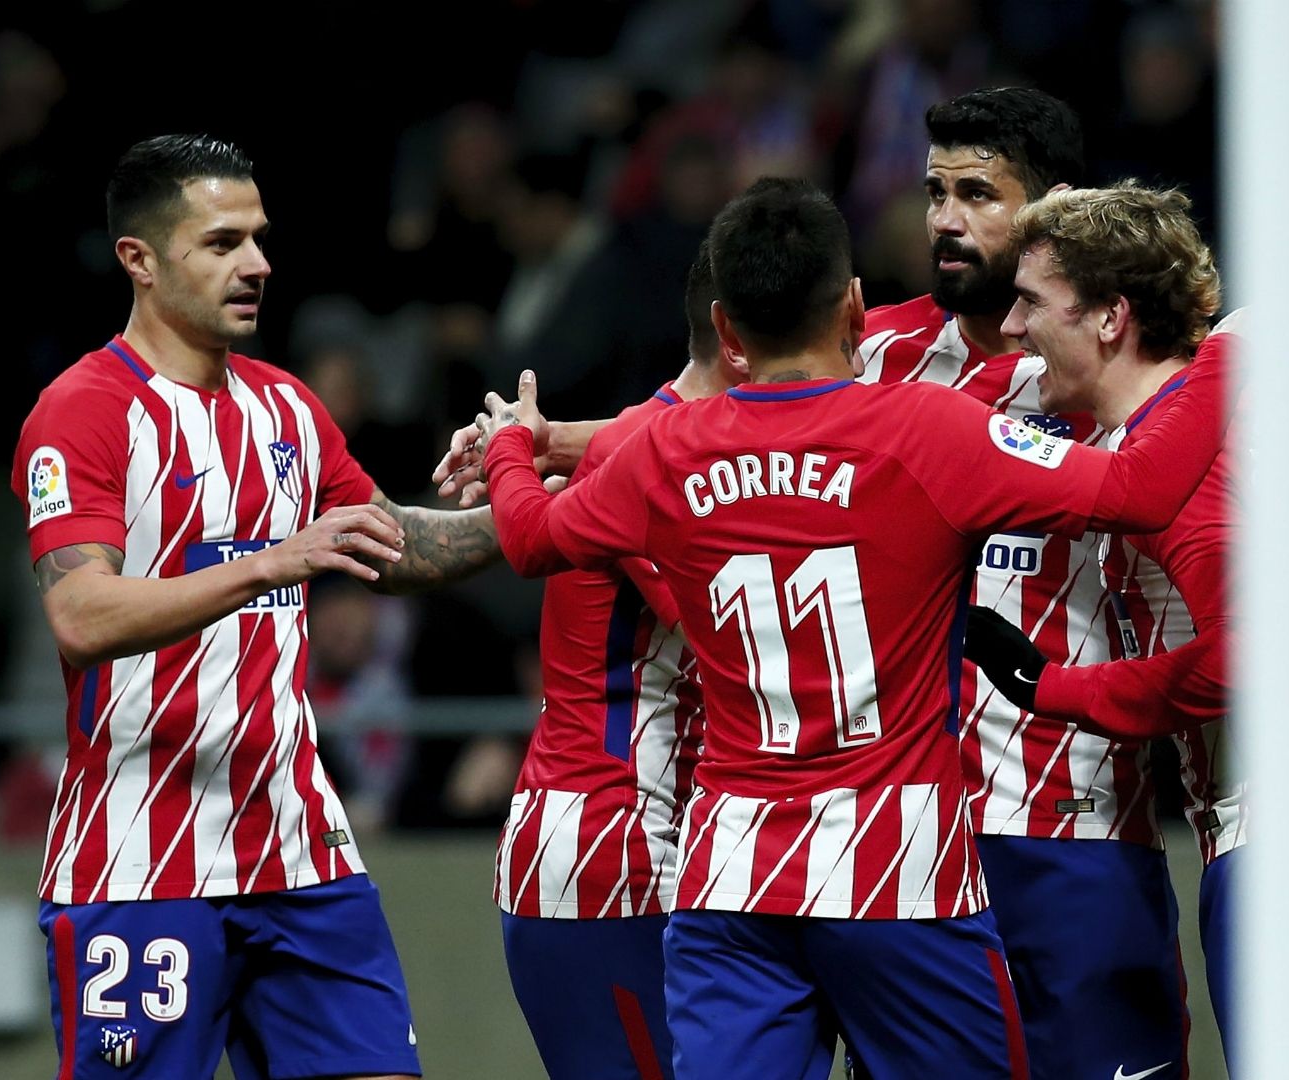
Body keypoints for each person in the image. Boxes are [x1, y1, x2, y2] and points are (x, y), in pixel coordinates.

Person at [475, 178, 1229, 1080]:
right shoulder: (932, 428)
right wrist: (1230, 354)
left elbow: (529, 538)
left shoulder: (664, 451)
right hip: (898, 870)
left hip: (732, 880)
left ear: (726, 330)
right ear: (856, 309)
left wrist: (513, 443)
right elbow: (1141, 489)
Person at [14, 134, 505, 1080]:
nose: (257, 264)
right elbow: (81, 614)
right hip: (140, 862)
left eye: (259, 239)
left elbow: (392, 544)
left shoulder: (287, 408)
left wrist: (543, 505)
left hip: (301, 853)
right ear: (140, 260)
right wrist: (270, 563)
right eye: (222, 242)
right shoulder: (82, 410)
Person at [961, 184, 1289, 1079]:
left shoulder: (1176, 464)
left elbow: (1245, 655)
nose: (1012, 328)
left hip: (1287, 843)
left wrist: (1055, 687)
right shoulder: (1216, 415)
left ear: (1111, 317)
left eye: (1031, 302)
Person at [856, 87, 1189, 1080]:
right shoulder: (877, 355)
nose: (945, 219)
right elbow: (710, 426)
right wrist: (558, 444)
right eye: (935, 192)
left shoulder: (1128, 366)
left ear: (1052, 212)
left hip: (1078, 825)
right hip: (907, 840)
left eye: (978, 194)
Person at [496, 246, 815, 1079]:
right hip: (606, 843)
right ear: (738, 345)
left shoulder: (661, 440)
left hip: (638, 838)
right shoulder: (652, 454)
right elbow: (735, 638)